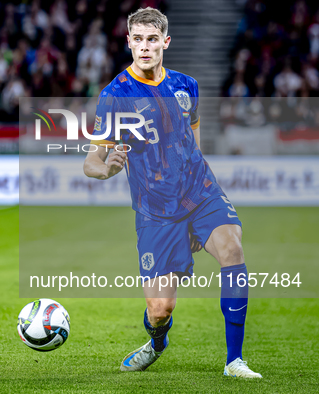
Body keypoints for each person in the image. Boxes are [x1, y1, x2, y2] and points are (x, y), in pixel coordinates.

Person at [83, 8, 262, 378]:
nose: (145, 47)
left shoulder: (186, 85)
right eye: (138, 39)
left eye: (152, 39)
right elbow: (91, 162)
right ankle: (157, 342)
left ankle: (234, 361)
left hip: (200, 191)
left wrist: (194, 202)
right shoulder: (115, 95)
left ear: (165, 42)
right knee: (160, 309)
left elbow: (192, 137)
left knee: (232, 248)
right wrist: (108, 169)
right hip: (155, 210)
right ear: (129, 42)